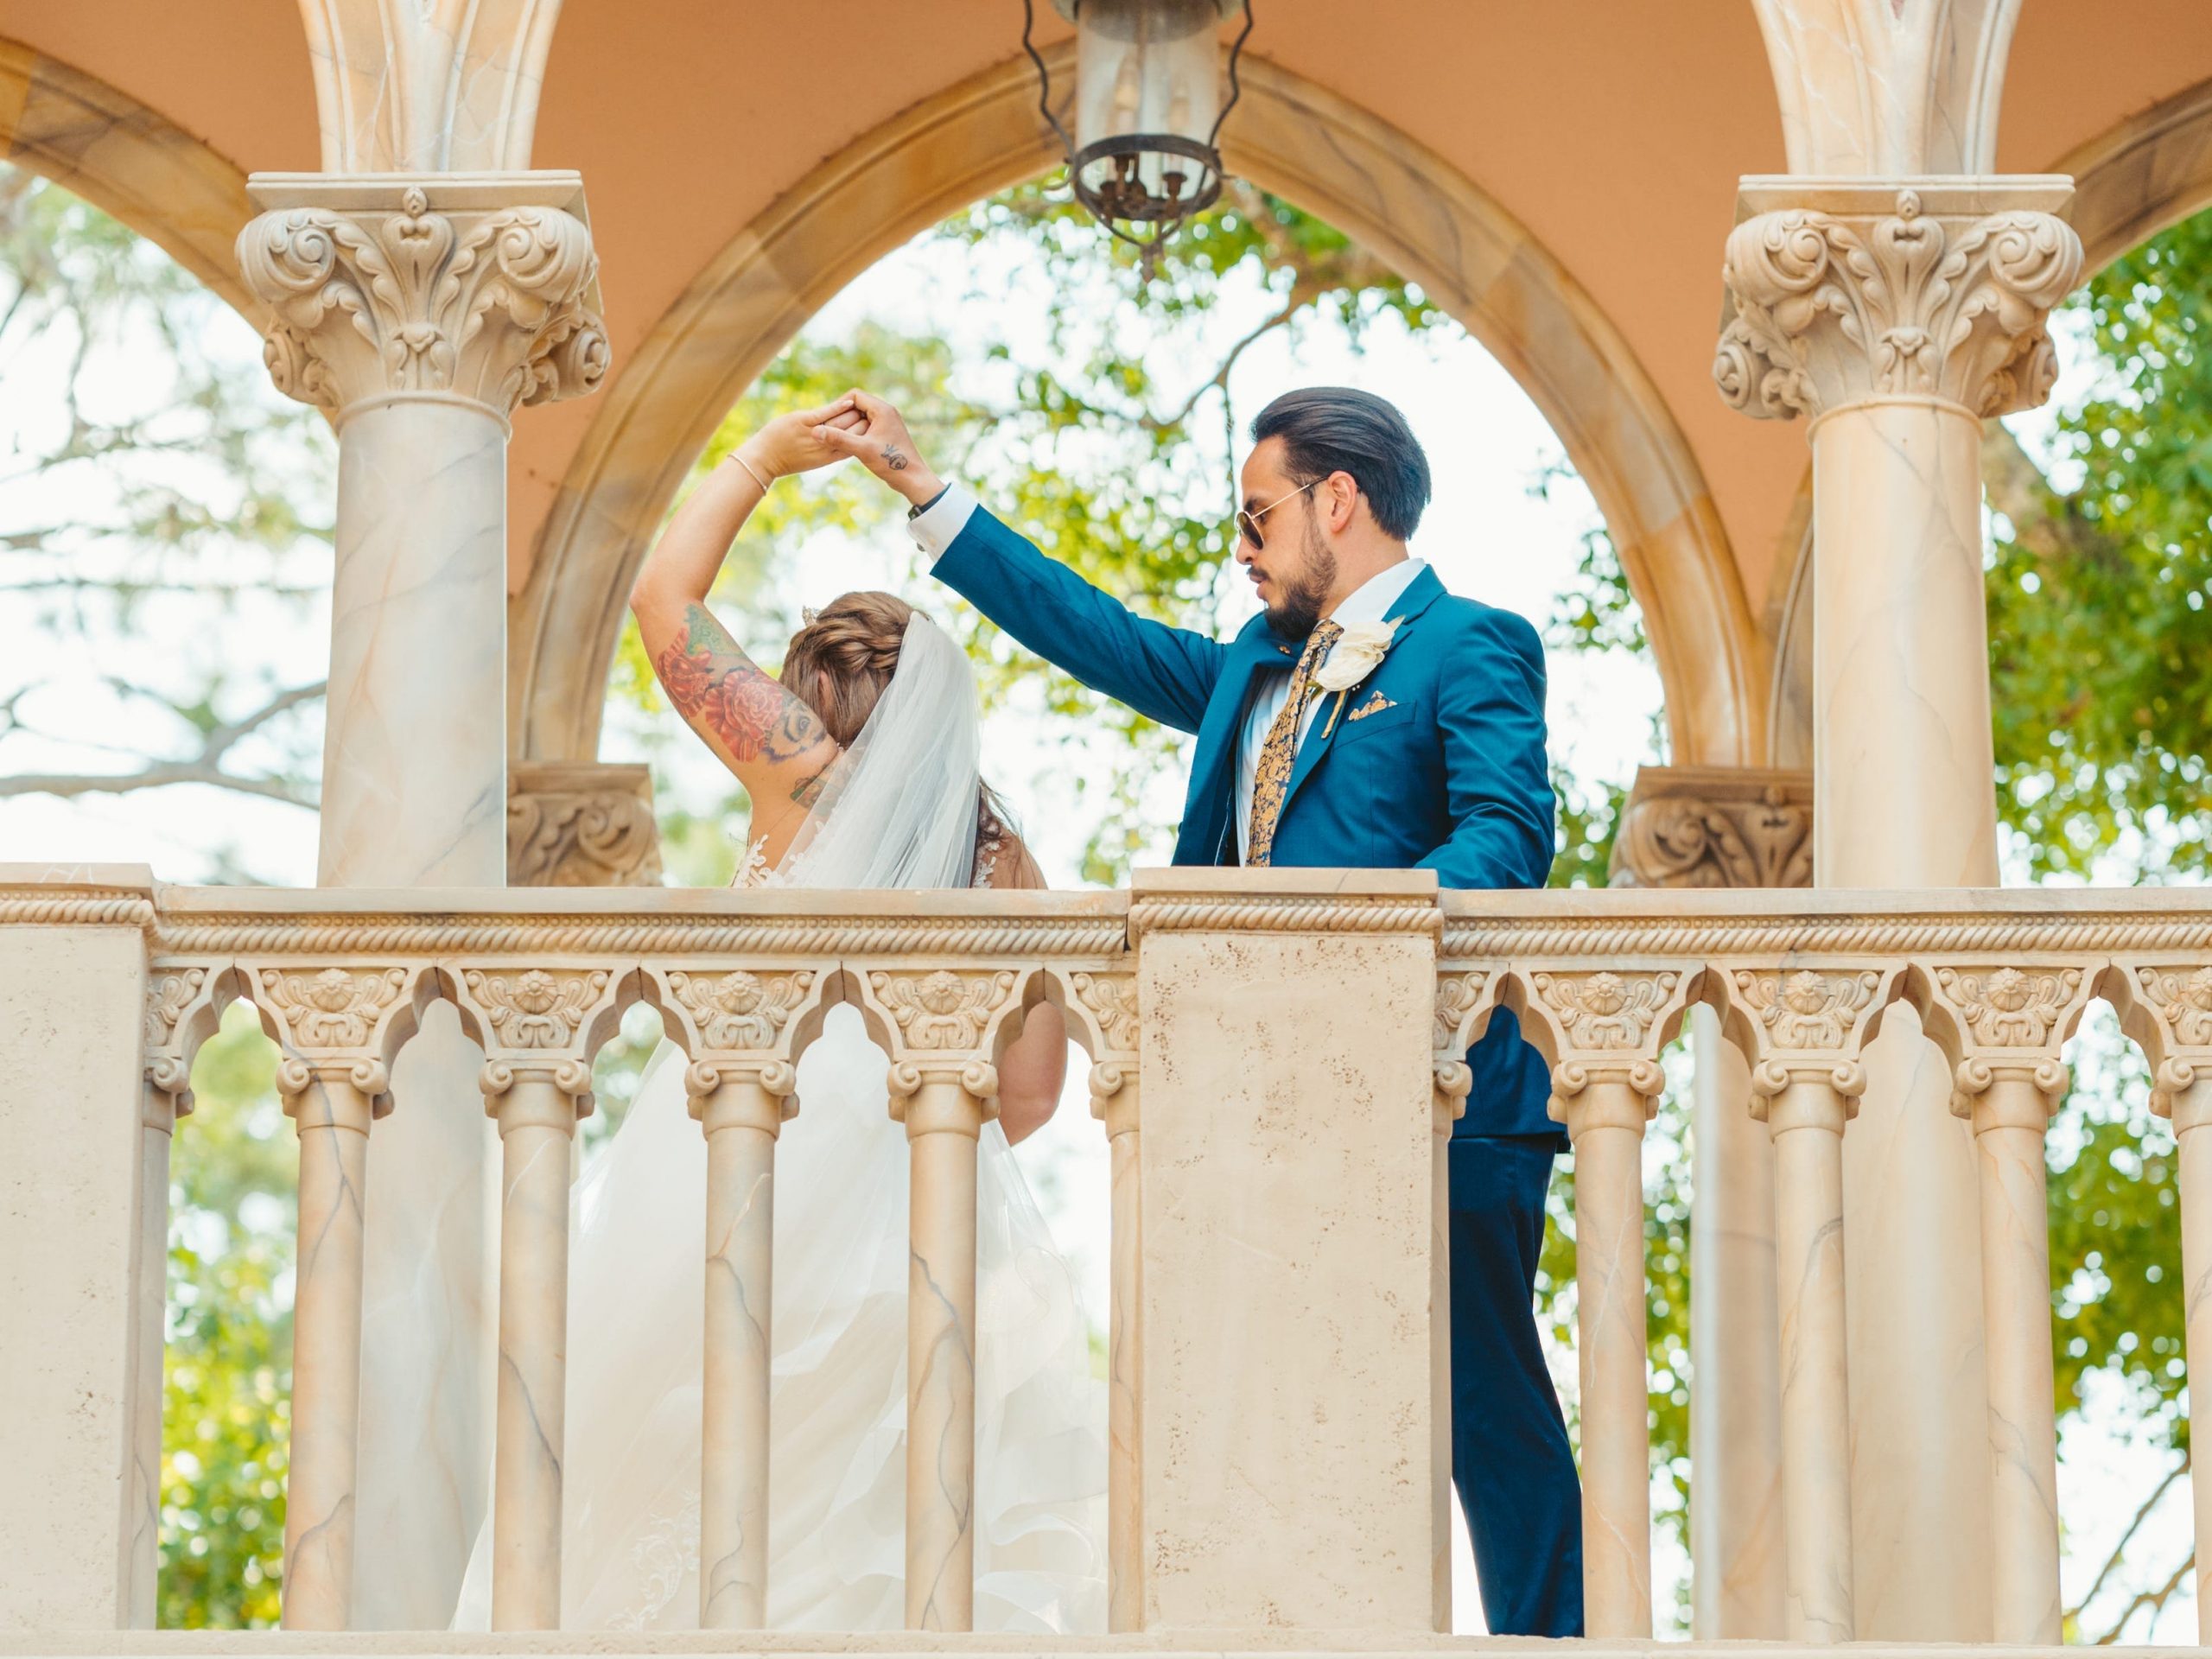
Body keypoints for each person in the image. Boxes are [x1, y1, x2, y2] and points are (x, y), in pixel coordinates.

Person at [817, 384, 1583, 1637]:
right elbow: (1100, 635)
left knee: (1484, 1410)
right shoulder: (1252, 667)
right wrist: (923, 490)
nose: (1244, 543)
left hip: (1432, 1101)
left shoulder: (1473, 643)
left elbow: (1507, 836)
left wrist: (1330, 928)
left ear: (1340, 500)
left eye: (1258, 513)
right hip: (1256, 1106)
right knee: (1267, 1406)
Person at [451, 402, 1106, 1632]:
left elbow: (663, 605)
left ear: (809, 691)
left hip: (752, 1155)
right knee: (893, 1518)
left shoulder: (800, 772)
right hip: (917, 1193)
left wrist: (762, 457)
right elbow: (1028, 1098)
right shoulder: (1004, 856)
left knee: (677, 1457)